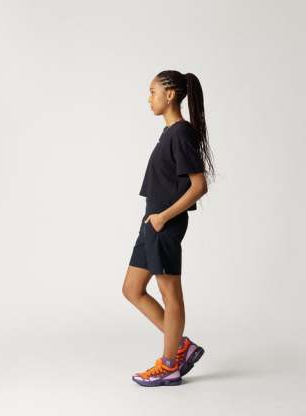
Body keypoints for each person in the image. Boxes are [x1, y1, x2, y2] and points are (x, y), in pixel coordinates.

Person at [122, 70, 216, 387]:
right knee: (132, 289)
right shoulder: (169, 133)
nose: (149, 98)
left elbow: (199, 185)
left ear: (170, 94)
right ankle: (181, 346)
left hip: (164, 224)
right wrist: (154, 219)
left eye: (153, 91)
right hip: (152, 223)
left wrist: (163, 218)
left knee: (170, 292)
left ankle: (169, 365)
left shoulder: (181, 134)